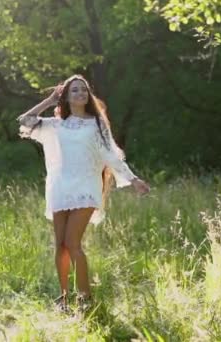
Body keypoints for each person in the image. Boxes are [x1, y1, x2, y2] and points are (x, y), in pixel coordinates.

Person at [16, 74, 150, 314]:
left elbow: (111, 155)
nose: (80, 94)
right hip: (60, 187)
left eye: (84, 90)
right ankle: (64, 298)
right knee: (60, 245)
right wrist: (49, 101)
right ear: (66, 97)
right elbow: (25, 121)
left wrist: (133, 179)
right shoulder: (56, 125)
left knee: (73, 243)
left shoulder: (96, 124)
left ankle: (85, 298)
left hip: (86, 187)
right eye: (75, 90)